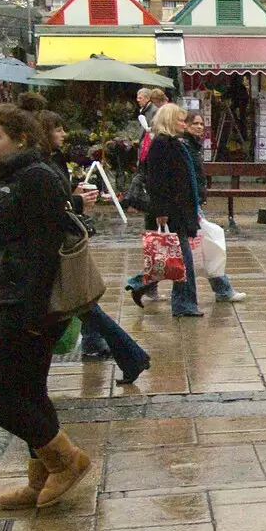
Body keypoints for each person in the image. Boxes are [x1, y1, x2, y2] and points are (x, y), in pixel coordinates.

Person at [0, 102, 91, 510]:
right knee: (29, 392)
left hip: (28, 303)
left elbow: (45, 250)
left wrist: (33, 314)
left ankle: (66, 460)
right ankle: (40, 477)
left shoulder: (37, 178)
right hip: (6, 296)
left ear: (21, 139)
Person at [35, 107, 152, 384]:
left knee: (81, 306)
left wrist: (75, 199)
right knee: (82, 307)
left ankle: (129, 355)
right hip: (58, 245)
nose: (63, 134)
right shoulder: (46, 161)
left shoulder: (47, 164)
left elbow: (56, 204)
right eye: (58, 129)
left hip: (61, 247)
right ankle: (125, 354)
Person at [125, 105, 236, 316]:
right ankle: (183, 304)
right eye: (180, 120)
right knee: (182, 260)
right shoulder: (161, 144)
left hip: (182, 210)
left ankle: (145, 287)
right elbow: (158, 182)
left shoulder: (175, 143)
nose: (183, 124)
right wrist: (161, 211)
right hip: (172, 211)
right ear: (169, 120)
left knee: (175, 259)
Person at [181, 111, 248, 305]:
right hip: (190, 203)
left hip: (194, 201)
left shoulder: (193, 146)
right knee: (206, 245)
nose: (200, 127)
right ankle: (224, 290)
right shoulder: (185, 146)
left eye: (202, 124)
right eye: (195, 124)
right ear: (186, 125)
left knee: (200, 247)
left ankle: (223, 290)